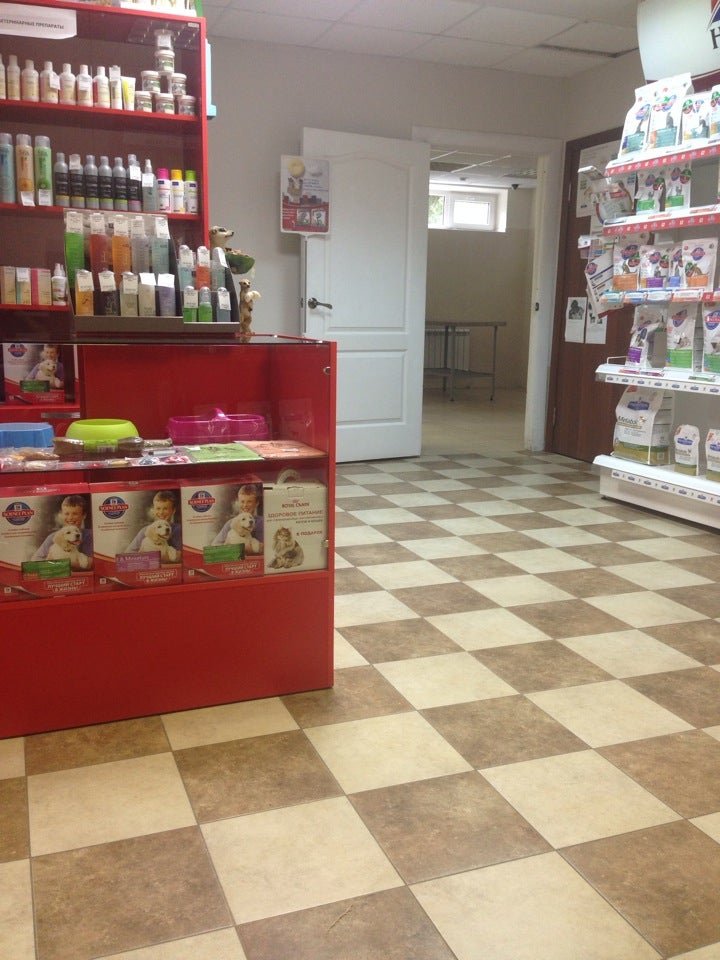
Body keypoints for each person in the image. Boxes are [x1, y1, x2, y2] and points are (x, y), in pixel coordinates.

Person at [32, 494, 92, 561]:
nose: (70, 518)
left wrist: (60, 561)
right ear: (62, 514)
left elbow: (93, 561)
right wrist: (49, 561)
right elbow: (35, 559)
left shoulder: (90, 535)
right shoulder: (53, 537)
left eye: (75, 514)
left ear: (84, 515)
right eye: (66, 514)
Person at [212, 482, 264, 552]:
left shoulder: (263, 522)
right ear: (238, 502)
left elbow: (270, 545)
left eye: (249, 502)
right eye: (242, 501)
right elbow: (214, 546)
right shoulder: (231, 523)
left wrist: (248, 548)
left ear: (256, 503)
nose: (245, 505)